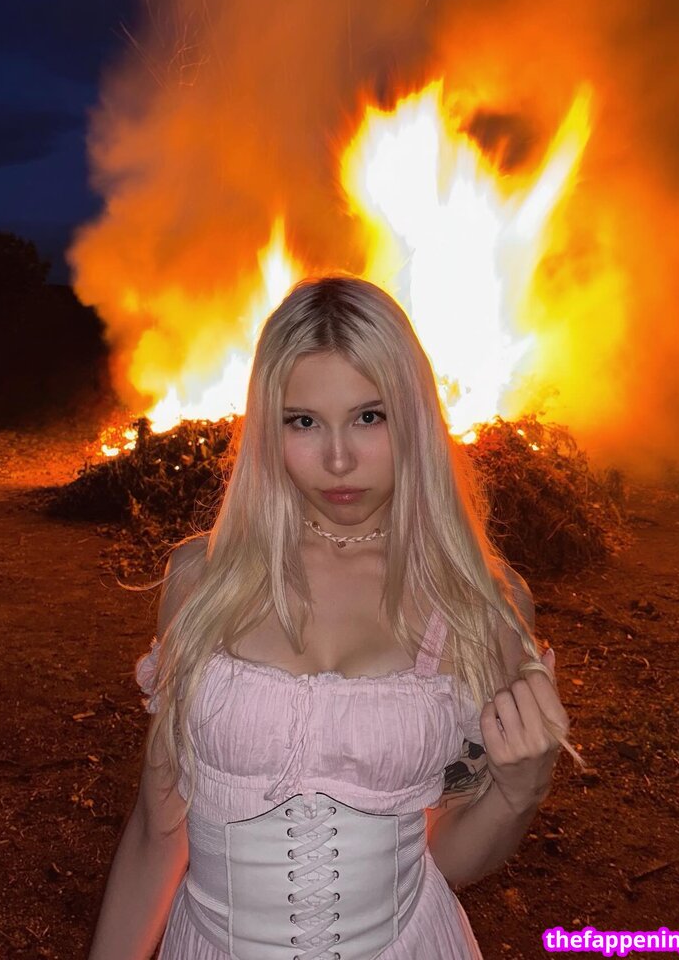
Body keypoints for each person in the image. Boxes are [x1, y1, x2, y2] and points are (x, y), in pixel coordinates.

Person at [88, 273, 580, 960]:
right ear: (268, 428)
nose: (339, 459)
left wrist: (521, 789)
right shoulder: (203, 582)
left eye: (369, 417)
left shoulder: (477, 606)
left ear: (414, 418)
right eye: (304, 422)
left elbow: (447, 858)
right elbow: (156, 831)